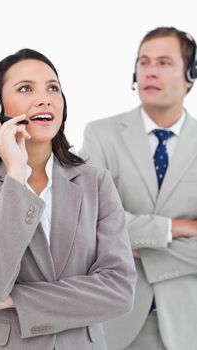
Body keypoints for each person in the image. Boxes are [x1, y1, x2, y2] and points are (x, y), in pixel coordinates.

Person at [0, 49, 136, 350]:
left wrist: (16, 299)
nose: (45, 98)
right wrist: (15, 174)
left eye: (53, 88)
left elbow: (119, 291)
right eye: (25, 88)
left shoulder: (96, 182)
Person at [80, 27, 197, 350]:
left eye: (163, 62)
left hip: (189, 325)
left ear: (190, 75)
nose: (150, 71)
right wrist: (179, 227)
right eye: (143, 62)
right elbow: (92, 223)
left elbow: (112, 234)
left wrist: (133, 247)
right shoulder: (101, 135)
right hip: (116, 319)